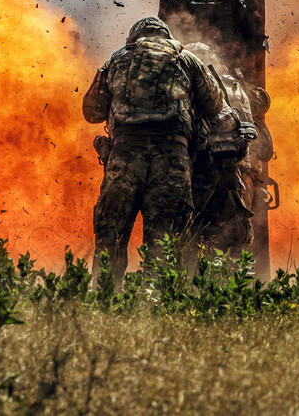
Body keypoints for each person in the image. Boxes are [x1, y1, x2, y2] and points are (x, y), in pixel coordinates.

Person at [82, 16, 234, 286]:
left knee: (111, 234)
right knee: (166, 242)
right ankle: (160, 307)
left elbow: (91, 111)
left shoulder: (116, 59)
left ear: (133, 39)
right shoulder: (187, 59)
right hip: (172, 159)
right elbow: (214, 105)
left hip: (124, 157)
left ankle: (105, 299)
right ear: (166, 36)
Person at [184, 43, 261, 255]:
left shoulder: (198, 86)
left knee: (192, 235)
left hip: (203, 170)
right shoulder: (235, 86)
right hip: (235, 172)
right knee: (236, 239)